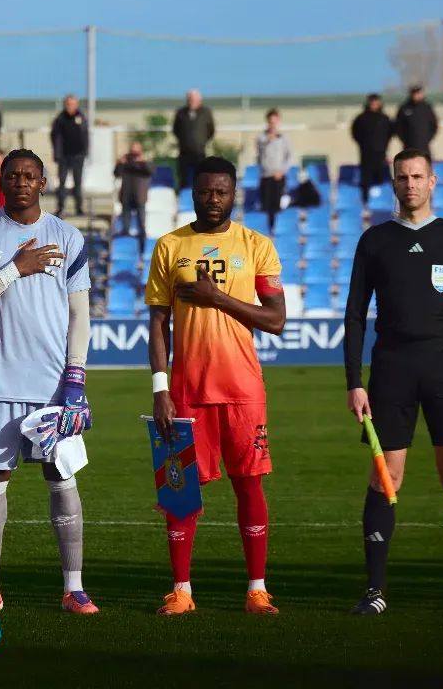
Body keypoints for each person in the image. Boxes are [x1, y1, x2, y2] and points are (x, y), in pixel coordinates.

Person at [0, 148, 99, 615]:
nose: (21, 182)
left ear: (43, 182)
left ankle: (73, 588)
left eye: (29, 176)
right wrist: (16, 268)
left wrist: (75, 376)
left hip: (53, 387)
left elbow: (79, 315)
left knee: (61, 475)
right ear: (1, 182)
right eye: (12, 175)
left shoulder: (67, 237)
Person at [343, 148, 443, 616]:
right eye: (402, 177)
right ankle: (374, 591)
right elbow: (354, 315)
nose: (409, 184)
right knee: (386, 477)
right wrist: (354, 381)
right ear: (393, 183)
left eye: (417, 176)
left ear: (432, 182)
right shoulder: (375, 240)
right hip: (391, 372)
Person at [146, 156, 286, 616]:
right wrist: (161, 388)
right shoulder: (170, 246)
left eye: (221, 192)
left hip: (243, 390)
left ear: (233, 194)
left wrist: (218, 298)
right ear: (193, 194)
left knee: (249, 486)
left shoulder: (257, 245)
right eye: (205, 191)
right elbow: (158, 323)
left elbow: (276, 320)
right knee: (180, 492)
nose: (213, 199)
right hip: (186, 393)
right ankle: (181, 591)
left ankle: (257, 590)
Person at [351, 93, 394, 204]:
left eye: (376, 103)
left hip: (381, 154)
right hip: (366, 154)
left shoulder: (384, 119)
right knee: (366, 179)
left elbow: (390, 133)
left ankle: (384, 201)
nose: (374, 105)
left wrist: (383, 145)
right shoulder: (361, 119)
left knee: (382, 178)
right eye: (372, 103)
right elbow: (355, 133)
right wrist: (364, 144)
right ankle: (365, 202)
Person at [50, 95, 89, 216]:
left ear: (76, 105)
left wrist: (85, 151)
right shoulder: (59, 119)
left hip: (78, 155)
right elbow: (54, 136)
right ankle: (60, 207)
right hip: (64, 156)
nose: (69, 107)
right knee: (62, 183)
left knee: (78, 183)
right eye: (68, 104)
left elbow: (85, 135)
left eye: (72, 104)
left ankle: (79, 208)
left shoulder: (81, 117)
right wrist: (57, 153)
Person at [255, 109, 292, 231]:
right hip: (266, 176)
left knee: (277, 206)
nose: (273, 124)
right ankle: (266, 231)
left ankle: (277, 230)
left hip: (279, 176)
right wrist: (269, 140)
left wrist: (282, 171)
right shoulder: (261, 138)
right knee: (266, 206)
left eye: (275, 122)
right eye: (271, 122)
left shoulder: (284, 139)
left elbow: (288, 156)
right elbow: (260, 156)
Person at [172, 89, 215, 193]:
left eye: (194, 99)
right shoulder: (181, 113)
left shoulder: (206, 112)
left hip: (199, 153)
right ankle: (184, 197)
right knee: (184, 179)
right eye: (190, 99)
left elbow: (211, 130)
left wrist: (202, 141)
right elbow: (175, 130)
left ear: (200, 100)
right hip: (184, 153)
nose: (192, 101)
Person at [113, 142, 153, 252]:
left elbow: (151, 171)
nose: (134, 155)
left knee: (141, 227)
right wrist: (120, 163)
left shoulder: (144, 162)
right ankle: (125, 251)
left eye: (136, 151)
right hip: (126, 197)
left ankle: (143, 251)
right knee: (125, 228)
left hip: (140, 197)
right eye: (133, 151)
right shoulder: (126, 162)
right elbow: (116, 173)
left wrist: (143, 161)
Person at [394, 85, 438, 157]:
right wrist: (405, 140)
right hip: (408, 146)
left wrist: (427, 138)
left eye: (418, 93)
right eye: (415, 93)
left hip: (424, 146)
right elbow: (398, 126)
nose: (417, 95)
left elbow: (434, 125)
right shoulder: (404, 108)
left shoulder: (427, 107)